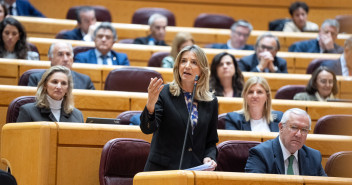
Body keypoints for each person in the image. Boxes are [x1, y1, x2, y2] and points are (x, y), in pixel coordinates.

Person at [140, 45, 218, 171]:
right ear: (178, 66)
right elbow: (147, 128)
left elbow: (210, 141)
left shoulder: (211, 101)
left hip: (193, 171)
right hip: (162, 171)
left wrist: (209, 156)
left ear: (202, 70)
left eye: (194, 62)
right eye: (183, 61)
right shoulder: (164, 93)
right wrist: (150, 105)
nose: (187, 66)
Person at [245, 108, 327, 176]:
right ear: (281, 128)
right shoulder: (261, 154)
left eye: (304, 130)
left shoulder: (313, 157)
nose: (298, 134)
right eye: (294, 127)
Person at [17, 65, 84, 122]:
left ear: (67, 89)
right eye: (54, 82)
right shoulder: (28, 111)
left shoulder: (78, 115)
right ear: (45, 85)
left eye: (63, 83)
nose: (59, 87)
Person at [28, 42, 95, 90]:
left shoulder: (85, 81)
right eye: (60, 54)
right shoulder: (36, 79)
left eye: (68, 54)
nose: (65, 59)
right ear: (50, 58)